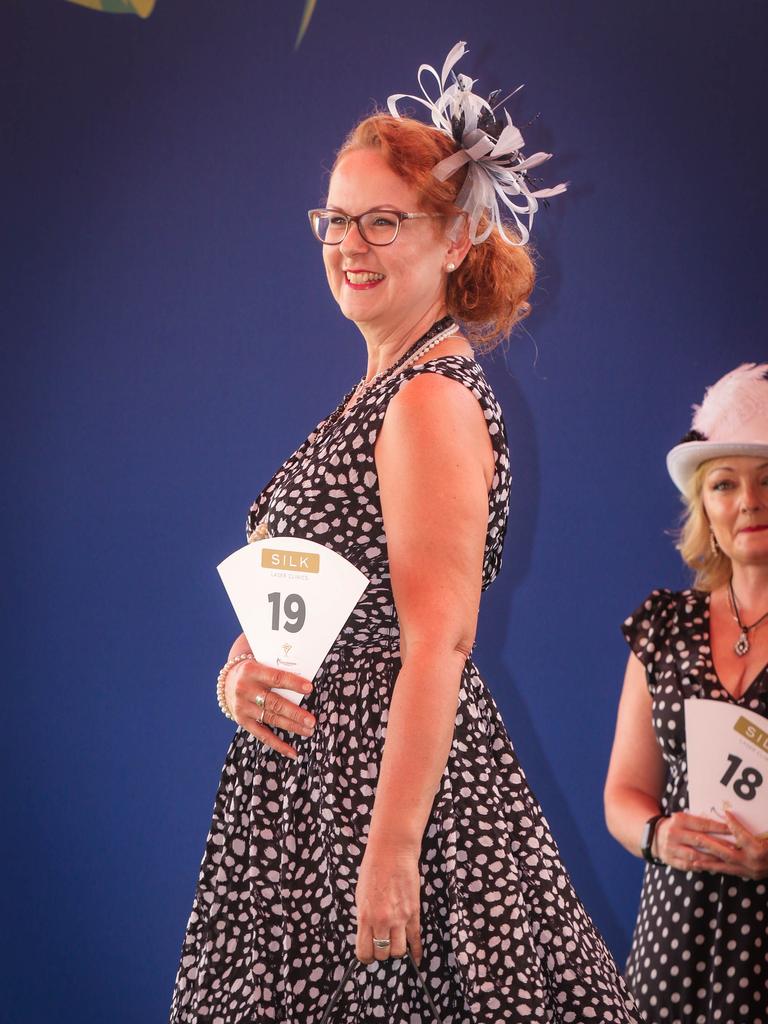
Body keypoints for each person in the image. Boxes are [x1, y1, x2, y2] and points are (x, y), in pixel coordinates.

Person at [171, 43, 638, 1023]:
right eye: (336, 221)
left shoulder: (427, 394)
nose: (351, 244)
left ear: (458, 237)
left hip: (382, 809)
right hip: (308, 807)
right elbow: (314, 612)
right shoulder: (376, 391)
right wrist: (236, 675)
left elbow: (439, 639)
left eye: (383, 220)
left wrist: (390, 856)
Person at [604, 363, 768, 1024]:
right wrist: (658, 836)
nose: (749, 501)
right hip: (671, 944)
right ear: (705, 506)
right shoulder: (664, 626)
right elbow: (622, 792)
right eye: (725, 483)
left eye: (767, 480)